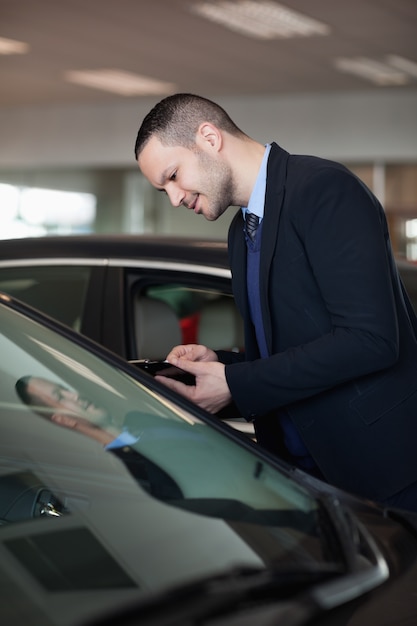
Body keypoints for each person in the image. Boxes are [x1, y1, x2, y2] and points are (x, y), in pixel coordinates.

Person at [134, 93, 417, 512]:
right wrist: (223, 366)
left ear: (209, 138)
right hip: (303, 477)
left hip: (383, 473)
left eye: (173, 176)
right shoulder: (240, 229)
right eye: (163, 190)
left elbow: (370, 339)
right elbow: (295, 347)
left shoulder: (324, 189)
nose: (174, 198)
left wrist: (237, 383)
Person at [15, 375, 183, 499]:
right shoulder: (123, 472)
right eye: (60, 397)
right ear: (63, 419)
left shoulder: (141, 418)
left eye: (65, 389)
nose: (74, 395)